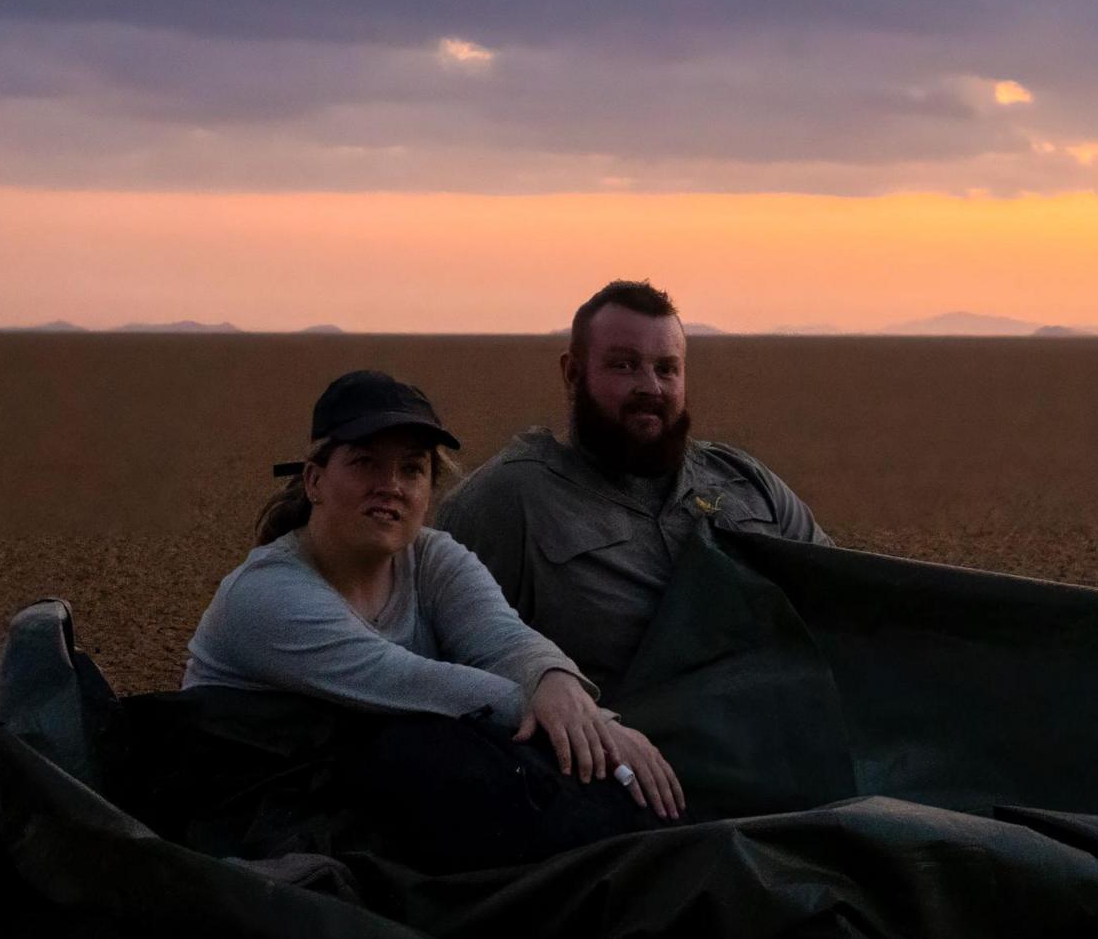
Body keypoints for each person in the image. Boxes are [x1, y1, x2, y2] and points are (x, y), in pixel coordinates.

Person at [184, 369, 685, 868]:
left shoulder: (432, 558)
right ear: (315, 480)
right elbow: (411, 682)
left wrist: (554, 681)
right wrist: (592, 723)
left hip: (359, 797)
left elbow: (502, 639)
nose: (391, 487)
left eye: (412, 469)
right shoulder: (266, 596)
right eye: (365, 463)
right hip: (257, 818)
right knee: (444, 754)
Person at [435, 280, 832, 699]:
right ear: (573, 373)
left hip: (781, 741)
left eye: (666, 368)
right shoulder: (512, 500)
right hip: (623, 754)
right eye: (624, 366)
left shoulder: (744, 481)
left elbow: (843, 603)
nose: (650, 386)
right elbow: (457, 661)